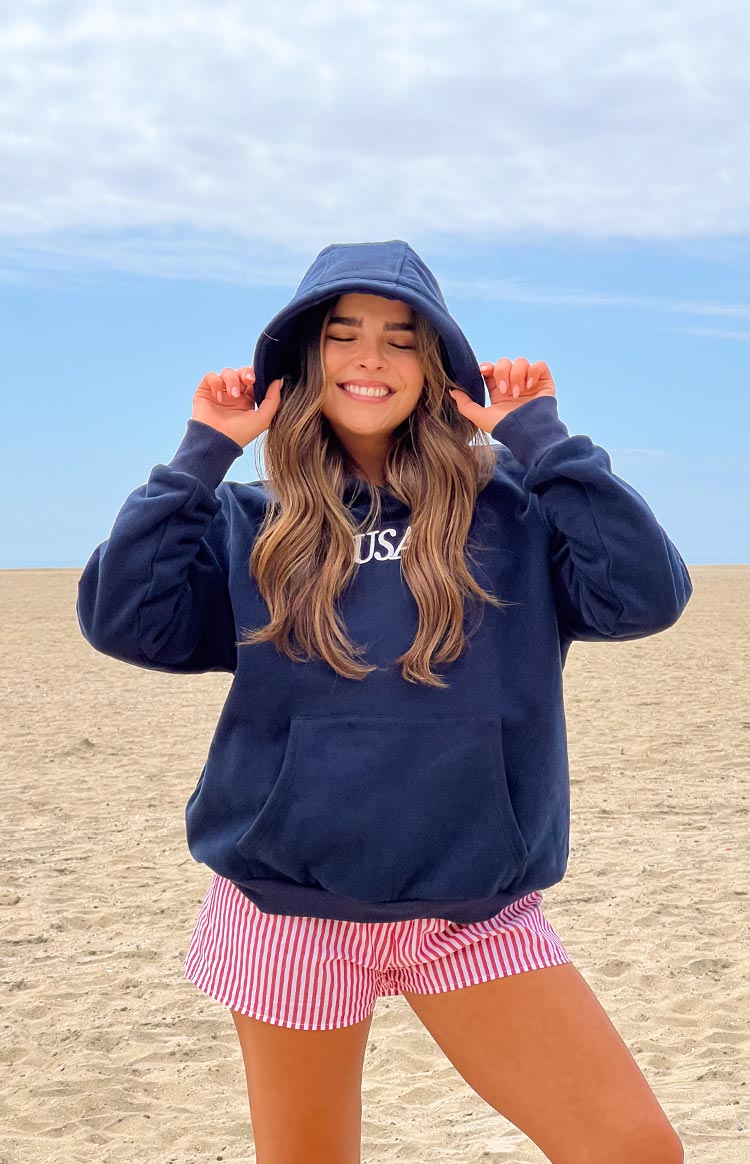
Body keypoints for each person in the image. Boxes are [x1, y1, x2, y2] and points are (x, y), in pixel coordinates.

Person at [76, 240, 689, 1163]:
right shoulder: (254, 522)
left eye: (402, 339)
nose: (370, 359)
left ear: (437, 364)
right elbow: (125, 619)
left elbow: (646, 597)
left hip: (472, 916)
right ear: (302, 358)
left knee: (634, 1150)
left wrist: (543, 440)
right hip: (289, 915)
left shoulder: (515, 507)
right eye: (343, 334)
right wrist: (203, 453)